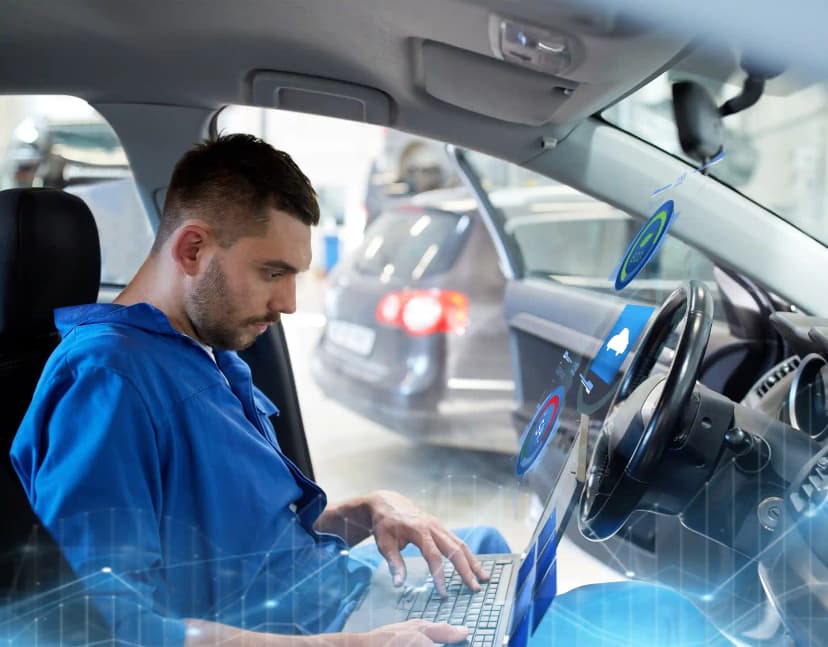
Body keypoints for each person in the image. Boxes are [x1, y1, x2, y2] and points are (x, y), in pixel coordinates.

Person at [10, 134, 508, 647]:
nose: (290, 302)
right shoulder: (108, 378)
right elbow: (106, 627)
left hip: (324, 594)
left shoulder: (209, 354)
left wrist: (362, 510)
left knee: (486, 554)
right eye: (273, 272)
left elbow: (243, 547)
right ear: (192, 249)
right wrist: (349, 645)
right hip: (314, 631)